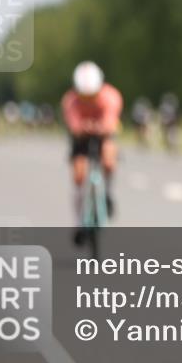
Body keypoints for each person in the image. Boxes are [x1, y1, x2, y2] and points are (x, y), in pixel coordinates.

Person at [61, 61, 123, 240]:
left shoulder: (111, 96)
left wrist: (98, 127)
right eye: (84, 96)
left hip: (103, 135)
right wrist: (82, 128)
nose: (88, 100)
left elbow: (110, 122)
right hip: (81, 138)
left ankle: (108, 193)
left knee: (109, 158)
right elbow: (73, 125)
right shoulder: (70, 100)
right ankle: (79, 222)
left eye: (92, 96)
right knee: (79, 176)